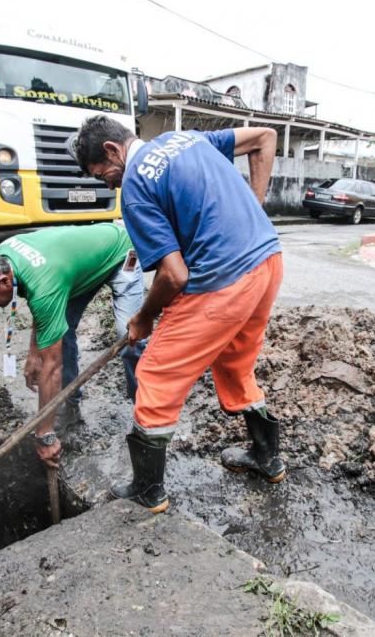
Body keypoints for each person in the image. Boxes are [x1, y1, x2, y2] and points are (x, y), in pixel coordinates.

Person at [73, 115, 283, 514]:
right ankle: (267, 458)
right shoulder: (185, 139)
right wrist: (256, 208)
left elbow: (174, 275)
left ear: (112, 150)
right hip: (266, 262)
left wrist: (143, 317)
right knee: (236, 365)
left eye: (104, 175)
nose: (110, 184)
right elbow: (264, 137)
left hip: (221, 281)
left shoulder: (135, 187)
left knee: (155, 375)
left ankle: (147, 490)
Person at [0, 223, 146, 469]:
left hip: (120, 253)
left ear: (4, 281)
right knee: (62, 335)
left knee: (130, 338)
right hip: (72, 269)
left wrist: (44, 433)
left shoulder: (42, 284)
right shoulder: (1, 258)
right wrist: (33, 355)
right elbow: (41, 307)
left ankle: (144, 410)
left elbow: (52, 366)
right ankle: (71, 405)